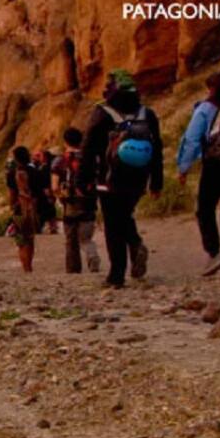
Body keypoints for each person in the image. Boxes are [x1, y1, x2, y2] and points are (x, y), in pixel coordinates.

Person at [80, 69, 163, 288]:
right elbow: (158, 149)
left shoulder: (103, 112)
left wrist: (83, 178)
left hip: (109, 177)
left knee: (112, 223)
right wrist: (156, 181)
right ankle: (135, 245)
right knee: (125, 215)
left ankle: (117, 274)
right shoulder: (147, 114)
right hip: (138, 178)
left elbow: (88, 147)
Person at [176, 71, 220, 280]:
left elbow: (192, 138)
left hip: (214, 164)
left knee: (205, 208)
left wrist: (184, 167)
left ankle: (214, 252)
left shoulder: (207, 108)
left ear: (212, 89)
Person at [51, 127, 100, 273]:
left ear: (65, 141)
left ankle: (73, 270)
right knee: (86, 237)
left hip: (70, 203)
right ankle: (92, 254)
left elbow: (54, 186)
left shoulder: (59, 160)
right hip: (89, 200)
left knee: (71, 239)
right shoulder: (92, 158)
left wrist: (60, 198)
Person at [8, 147, 40, 272]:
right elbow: (38, 192)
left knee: (21, 241)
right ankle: (29, 265)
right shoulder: (34, 171)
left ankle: (26, 267)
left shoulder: (11, 174)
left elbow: (11, 193)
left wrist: (11, 205)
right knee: (30, 239)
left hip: (18, 209)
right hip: (32, 209)